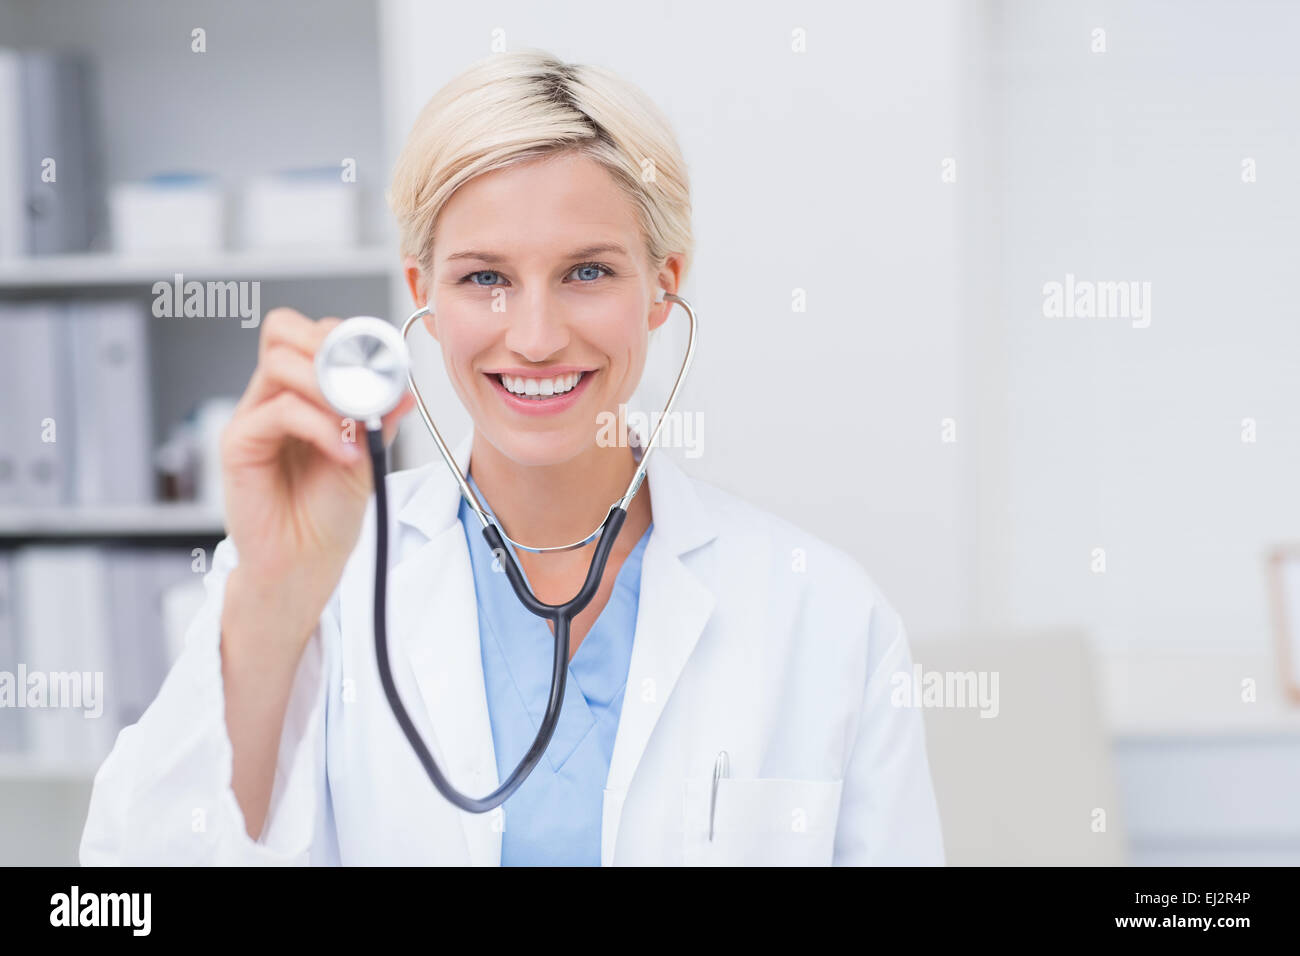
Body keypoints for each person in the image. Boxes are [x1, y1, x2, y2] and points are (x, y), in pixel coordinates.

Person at [80, 49, 945, 866]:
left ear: (663, 285)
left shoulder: (822, 610)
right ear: (423, 294)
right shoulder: (322, 586)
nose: (534, 337)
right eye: (484, 278)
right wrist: (274, 596)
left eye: (588, 272)